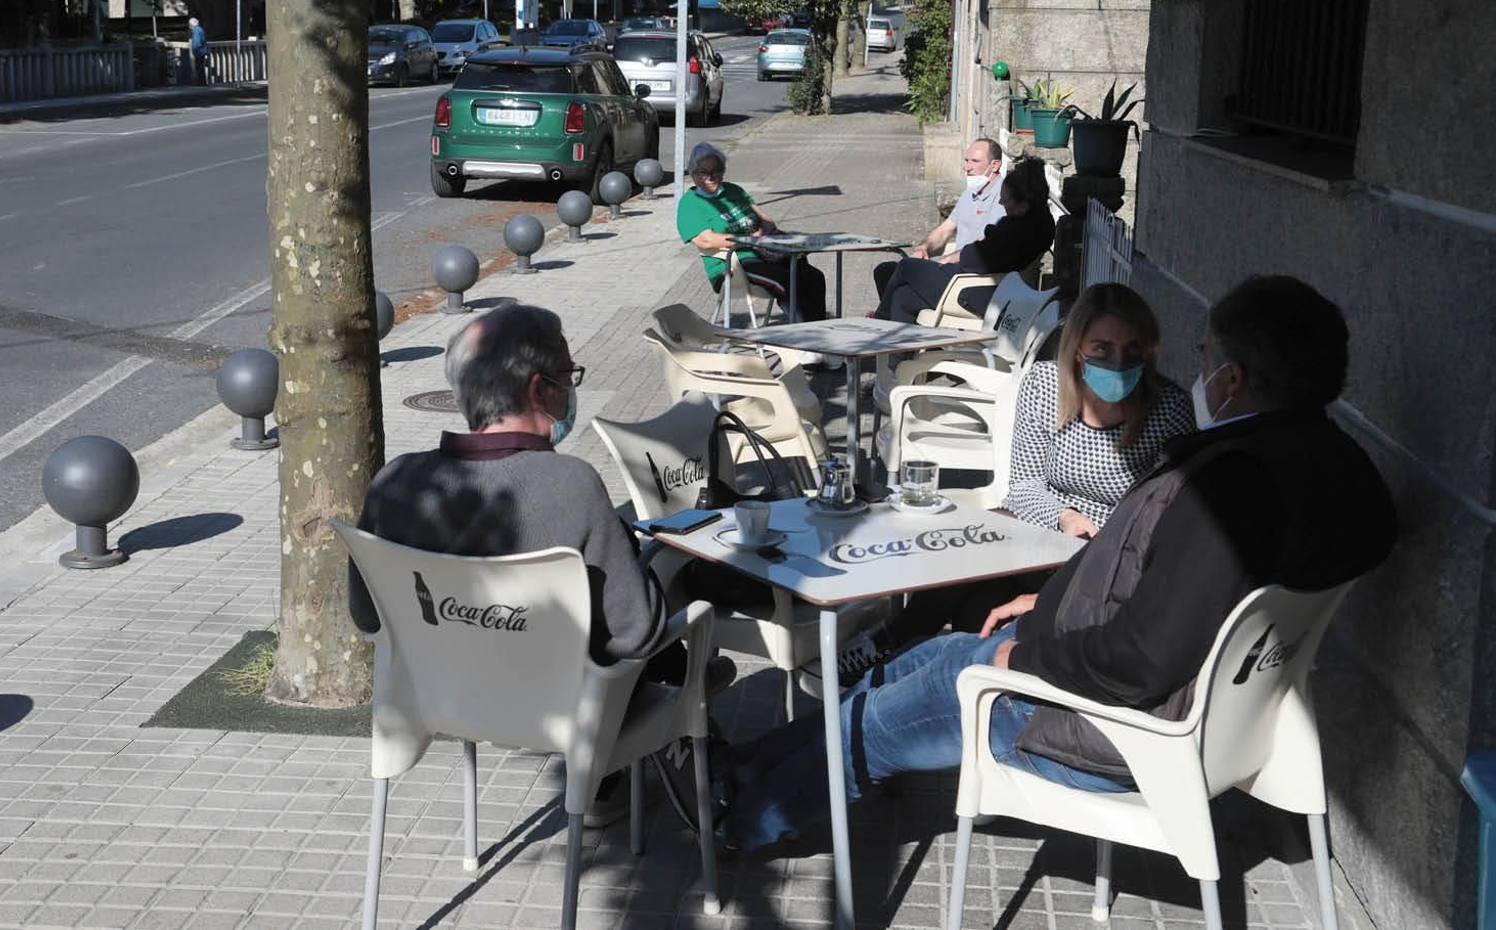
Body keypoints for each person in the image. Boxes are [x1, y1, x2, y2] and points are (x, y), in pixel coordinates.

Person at [715, 274, 1397, 851]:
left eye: (1205, 354)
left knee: (891, 718)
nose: (1196, 368)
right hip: (1153, 690)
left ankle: (736, 822)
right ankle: (745, 767)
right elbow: (1170, 593)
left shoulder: (1230, 491)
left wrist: (1026, 658)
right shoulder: (1341, 466)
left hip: (1110, 725)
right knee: (926, 656)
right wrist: (1048, 603)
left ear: (1232, 379)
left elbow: (1139, 661)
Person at [346, 304, 671, 824]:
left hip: (441, 701)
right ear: (540, 390)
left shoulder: (395, 483)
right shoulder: (572, 484)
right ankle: (680, 786)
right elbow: (634, 634)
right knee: (675, 625)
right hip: (561, 711)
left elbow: (367, 617)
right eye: (568, 375)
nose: (572, 389)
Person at [867, 282, 1196, 656]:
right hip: (1043, 530)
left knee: (981, 596)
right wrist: (1063, 517)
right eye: (1103, 348)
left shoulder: (1168, 409)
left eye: (1132, 349)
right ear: (1077, 348)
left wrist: (1100, 536)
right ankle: (908, 655)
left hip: (1107, 555)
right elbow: (1024, 486)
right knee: (976, 571)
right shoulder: (1044, 386)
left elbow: (1169, 512)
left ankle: (890, 646)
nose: (1118, 362)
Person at [872, 156, 1055, 324]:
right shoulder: (1035, 220)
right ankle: (899, 347)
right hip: (979, 286)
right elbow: (983, 250)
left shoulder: (1020, 230)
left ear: (1023, 206)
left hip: (975, 291)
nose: (1001, 204)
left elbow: (977, 260)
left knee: (906, 267)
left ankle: (879, 321)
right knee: (902, 297)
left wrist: (947, 260)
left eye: (1005, 201)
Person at [676, 142, 830, 324]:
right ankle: (803, 333)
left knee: (814, 277)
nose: (710, 177)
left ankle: (819, 329)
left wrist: (763, 232)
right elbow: (706, 241)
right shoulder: (690, 204)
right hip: (733, 264)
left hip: (765, 253)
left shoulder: (734, 191)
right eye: (703, 172)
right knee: (786, 282)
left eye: (716, 171)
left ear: (723, 171)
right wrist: (749, 239)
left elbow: (766, 220)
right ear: (693, 174)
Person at [872, 138, 1004, 298]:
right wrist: (923, 248)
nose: (967, 167)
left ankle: (884, 312)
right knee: (884, 271)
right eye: (966, 160)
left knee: (905, 276)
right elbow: (944, 231)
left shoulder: (1002, 197)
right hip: (952, 267)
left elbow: (984, 244)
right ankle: (887, 312)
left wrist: (945, 260)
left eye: (975, 161)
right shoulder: (970, 193)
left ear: (995, 165)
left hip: (970, 274)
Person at [189, 16, 209, 84]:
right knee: (201, 68)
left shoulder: (196, 31)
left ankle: (201, 83)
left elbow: (197, 43)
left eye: (190, 25)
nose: (189, 27)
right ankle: (202, 82)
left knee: (199, 68)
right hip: (202, 51)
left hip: (199, 52)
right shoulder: (200, 29)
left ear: (192, 25)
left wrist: (194, 50)